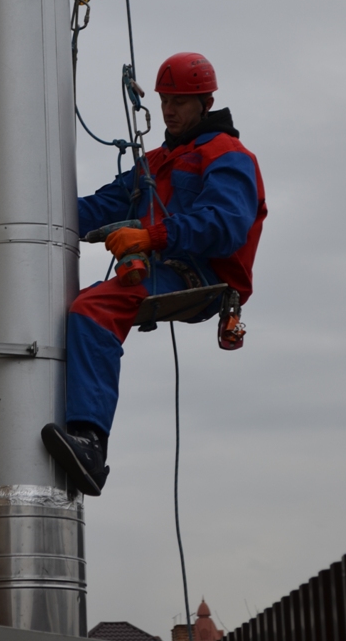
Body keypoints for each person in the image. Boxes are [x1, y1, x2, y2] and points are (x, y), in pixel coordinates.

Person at [42, 52, 267, 496]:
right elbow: (104, 205)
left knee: (94, 308)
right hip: (162, 267)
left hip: (201, 276)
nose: (169, 110)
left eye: (180, 101)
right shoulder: (158, 161)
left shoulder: (229, 155)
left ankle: (91, 446)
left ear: (205, 101)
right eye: (165, 99)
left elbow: (224, 225)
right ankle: (80, 430)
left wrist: (151, 236)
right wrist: (36, 214)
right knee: (74, 308)